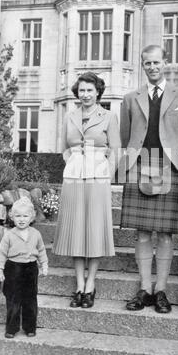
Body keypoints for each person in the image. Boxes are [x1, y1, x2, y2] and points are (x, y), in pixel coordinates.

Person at [120, 44, 178, 313]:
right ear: (142, 65)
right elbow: (125, 138)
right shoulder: (130, 98)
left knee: (165, 235)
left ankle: (161, 290)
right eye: (147, 63)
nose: (152, 67)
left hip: (171, 168)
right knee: (142, 234)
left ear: (165, 62)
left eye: (156, 62)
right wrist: (126, 168)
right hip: (140, 165)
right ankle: (144, 289)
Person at [53, 71, 121, 309]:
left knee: (93, 230)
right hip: (73, 178)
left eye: (90, 90)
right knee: (76, 231)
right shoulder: (69, 116)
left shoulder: (109, 116)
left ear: (98, 92)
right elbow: (64, 148)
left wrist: (106, 176)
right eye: (81, 90)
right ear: (76, 93)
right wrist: (75, 165)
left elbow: (115, 150)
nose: (85, 95)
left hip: (98, 179)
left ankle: (91, 284)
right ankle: (79, 285)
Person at [0, 197, 48, 338]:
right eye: (18, 216)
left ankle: (30, 327)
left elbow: (41, 250)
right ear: (12, 217)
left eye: (25, 216)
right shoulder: (9, 235)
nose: (22, 219)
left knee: (30, 299)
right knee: (13, 299)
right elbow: (1, 253)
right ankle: (11, 328)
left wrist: (44, 265)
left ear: (31, 217)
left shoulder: (36, 234)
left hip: (31, 269)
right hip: (13, 268)